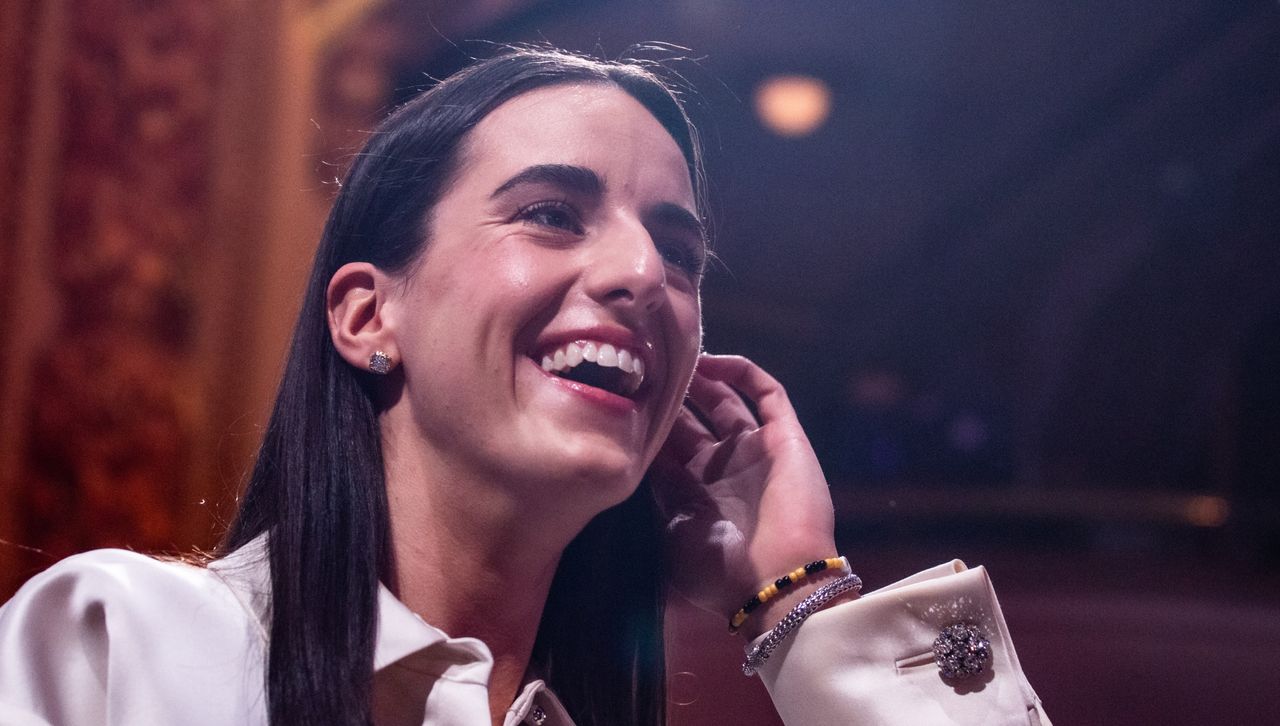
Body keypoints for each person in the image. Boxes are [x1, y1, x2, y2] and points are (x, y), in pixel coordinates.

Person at [0, 47, 1049, 725]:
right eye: (551, 211)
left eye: (676, 252)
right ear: (370, 316)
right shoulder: (119, 648)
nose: (643, 273)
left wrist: (802, 600)